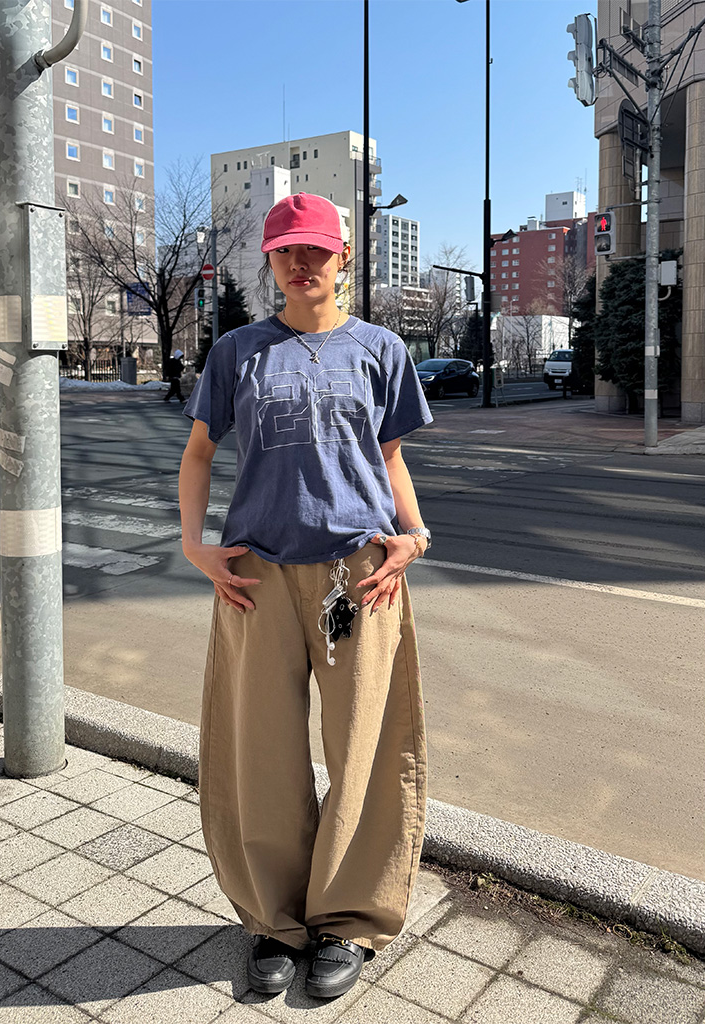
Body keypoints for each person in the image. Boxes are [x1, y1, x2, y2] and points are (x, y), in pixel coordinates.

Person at [178, 193, 433, 1000]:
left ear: (343, 256)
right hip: (255, 575)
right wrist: (193, 544)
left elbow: (388, 458)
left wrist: (415, 532)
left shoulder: (381, 349)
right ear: (270, 259)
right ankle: (274, 918)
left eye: (316, 248)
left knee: (365, 745)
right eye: (286, 249)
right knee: (260, 747)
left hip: (361, 572)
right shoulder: (238, 352)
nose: (301, 262)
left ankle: (348, 917)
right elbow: (198, 455)